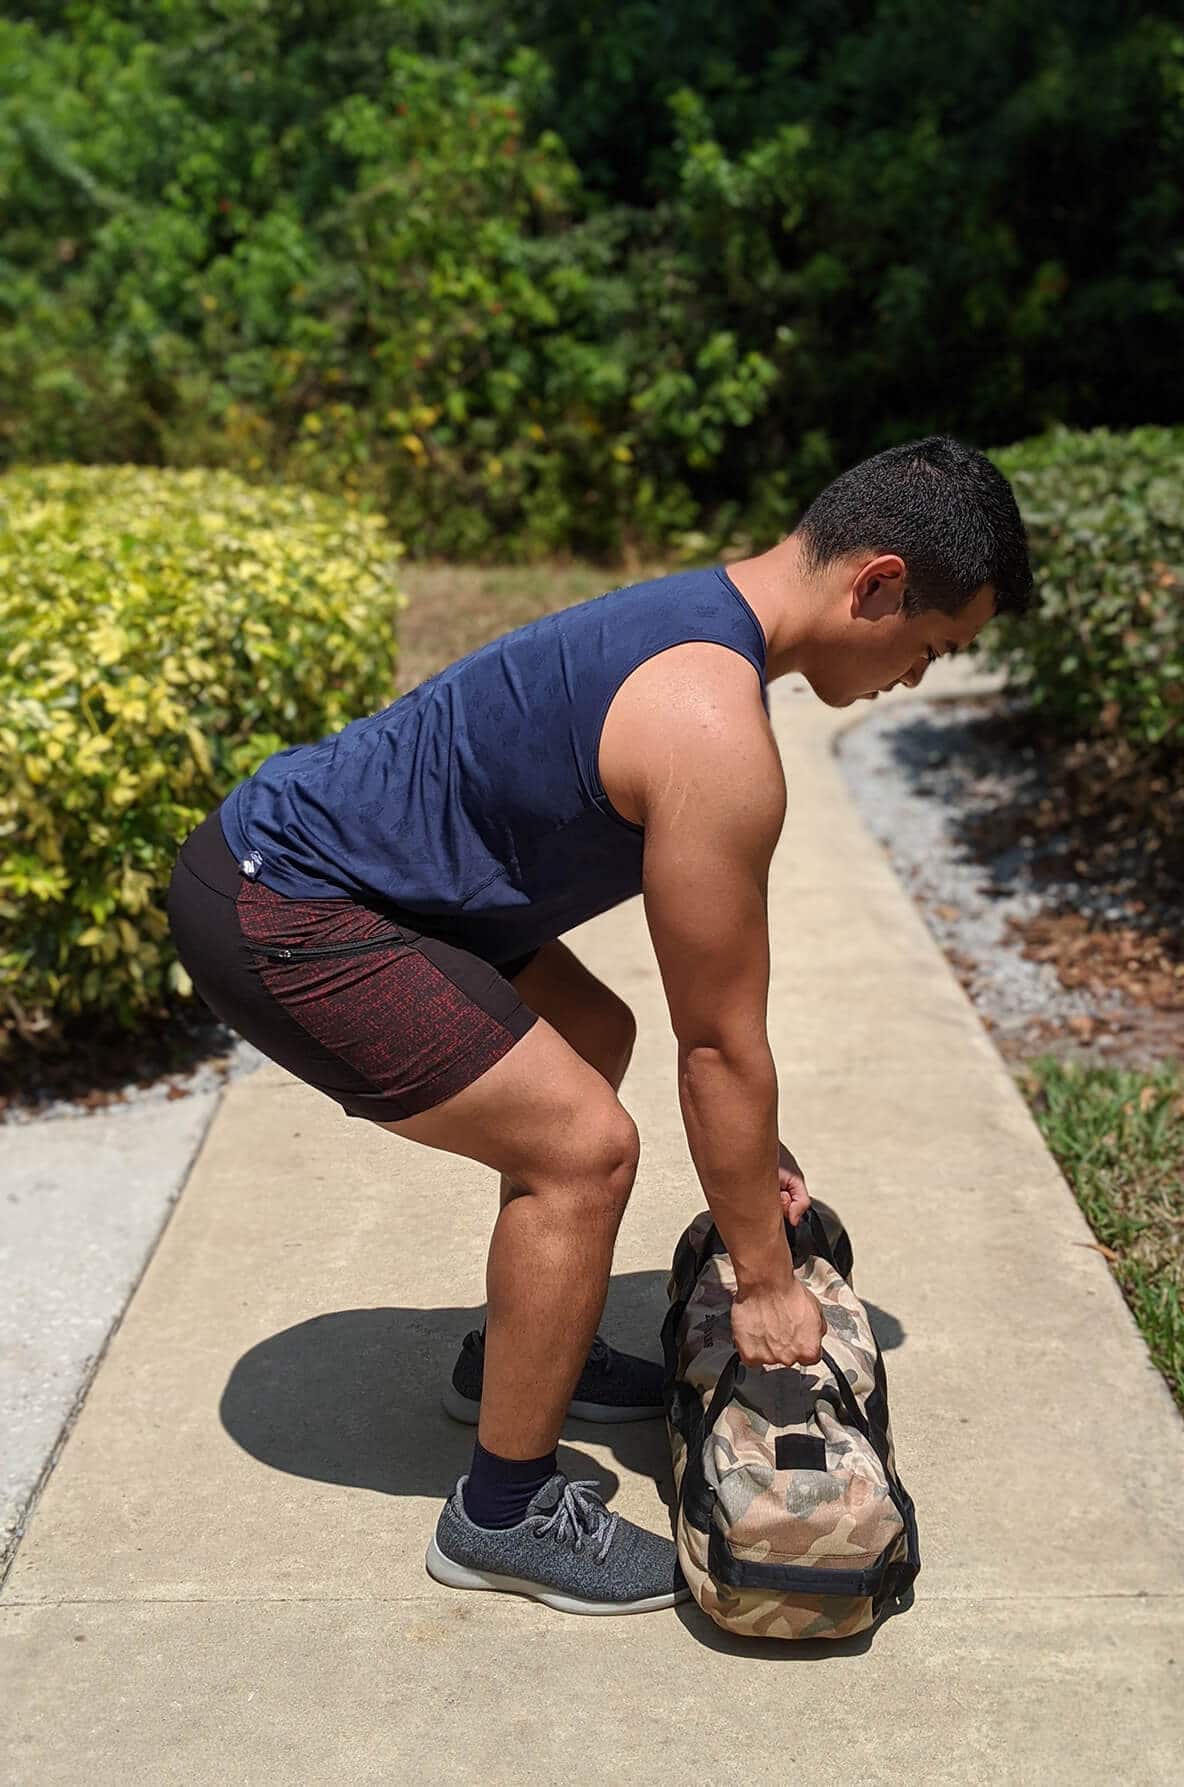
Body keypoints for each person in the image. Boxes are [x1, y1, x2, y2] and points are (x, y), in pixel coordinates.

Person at [166, 434, 1032, 1617]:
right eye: (930, 647)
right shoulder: (712, 727)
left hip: (357, 873)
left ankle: (520, 1359)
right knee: (580, 1146)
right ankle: (502, 1512)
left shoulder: (701, 617)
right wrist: (766, 1281)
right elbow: (720, 1048)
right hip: (287, 902)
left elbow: (708, 1027)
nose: (917, 677)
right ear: (875, 584)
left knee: (589, 1036)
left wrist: (751, 1154)